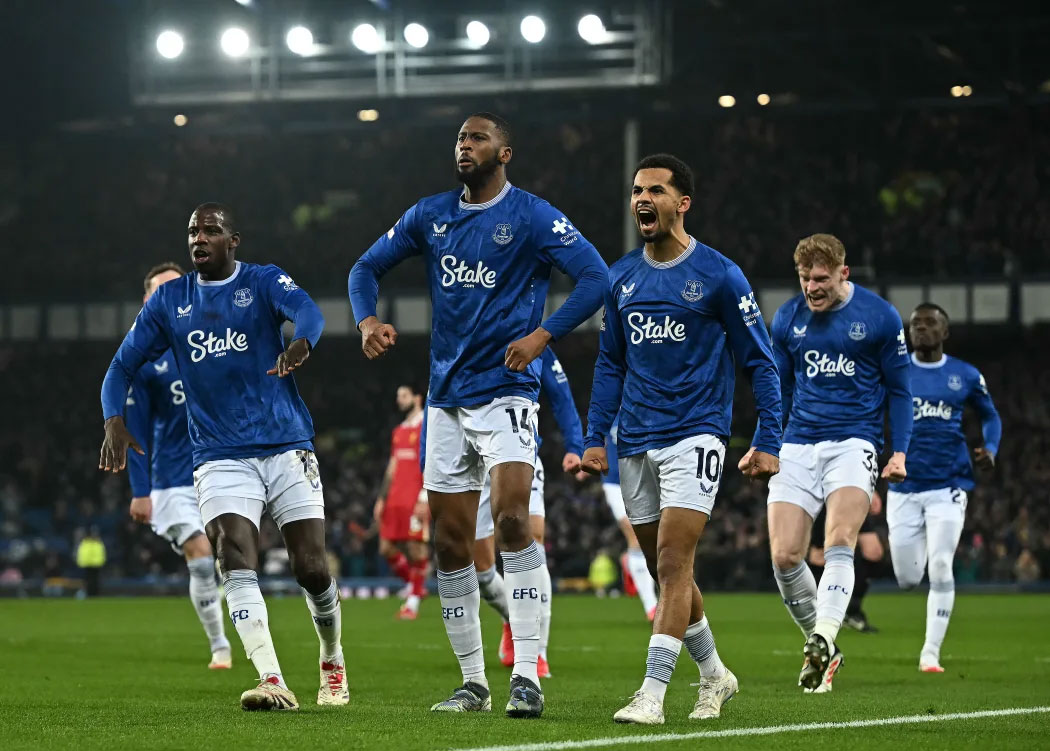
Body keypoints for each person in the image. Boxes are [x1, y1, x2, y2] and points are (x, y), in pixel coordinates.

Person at [349, 112, 607, 718]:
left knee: (515, 522)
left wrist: (545, 335)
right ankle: (473, 683)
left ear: (505, 152)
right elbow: (364, 268)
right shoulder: (430, 214)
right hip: (445, 398)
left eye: (477, 138)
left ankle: (526, 676)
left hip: (508, 392)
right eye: (460, 139)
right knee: (448, 542)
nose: (464, 146)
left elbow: (596, 277)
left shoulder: (534, 216)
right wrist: (366, 320)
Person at [99, 203, 347, 712]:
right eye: (192, 230)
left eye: (211, 230)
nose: (199, 238)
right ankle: (272, 678)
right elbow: (120, 365)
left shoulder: (262, 281)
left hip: (285, 443)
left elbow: (310, 311)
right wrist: (113, 421)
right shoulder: (169, 300)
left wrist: (302, 342)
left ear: (234, 240)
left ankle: (331, 656)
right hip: (218, 453)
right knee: (232, 555)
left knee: (312, 568)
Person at [581, 153, 782, 725]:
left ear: (682, 203)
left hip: (697, 433)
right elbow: (610, 364)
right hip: (636, 441)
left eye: (656, 191)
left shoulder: (721, 275)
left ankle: (652, 693)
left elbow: (761, 363)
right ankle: (716, 675)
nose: (643, 199)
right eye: (637, 191)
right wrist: (596, 436)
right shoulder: (620, 278)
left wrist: (769, 437)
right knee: (667, 569)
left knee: (672, 561)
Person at [739, 233, 911, 693]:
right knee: (784, 556)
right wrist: (764, 443)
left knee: (839, 540)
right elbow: (780, 391)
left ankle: (824, 634)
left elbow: (899, 389)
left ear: (843, 274)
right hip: (797, 444)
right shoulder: (788, 319)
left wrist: (899, 452)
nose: (812, 288)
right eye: (804, 279)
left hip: (854, 444)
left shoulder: (879, 316)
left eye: (820, 279)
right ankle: (825, 648)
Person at [124, 262, 232, 669]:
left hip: (220, 467)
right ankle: (219, 644)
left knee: (232, 558)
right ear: (147, 301)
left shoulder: (210, 341)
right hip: (171, 480)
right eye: (160, 290)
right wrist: (139, 490)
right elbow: (134, 428)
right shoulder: (144, 359)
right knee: (202, 555)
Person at [888, 302, 1001, 672]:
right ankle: (916, 579)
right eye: (915, 324)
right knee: (906, 579)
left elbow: (990, 414)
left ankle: (930, 652)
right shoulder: (896, 370)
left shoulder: (965, 375)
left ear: (944, 332)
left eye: (929, 323)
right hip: (904, 487)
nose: (920, 328)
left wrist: (991, 448)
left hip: (948, 486)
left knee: (940, 564)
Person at [474, 346, 584, 679]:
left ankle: (538, 652)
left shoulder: (537, 343)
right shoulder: (467, 328)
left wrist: (575, 445)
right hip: (472, 458)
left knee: (531, 540)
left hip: (519, 453)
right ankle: (512, 615)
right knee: (479, 565)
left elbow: (561, 395)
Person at [374, 383, 429, 620]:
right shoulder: (398, 431)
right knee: (386, 548)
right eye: (398, 396)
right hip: (395, 498)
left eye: (404, 395)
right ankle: (416, 585)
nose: (400, 400)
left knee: (417, 549)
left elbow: (432, 462)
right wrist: (381, 498)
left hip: (416, 497)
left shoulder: (428, 426)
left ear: (417, 398)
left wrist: (425, 497)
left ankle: (413, 603)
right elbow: (392, 466)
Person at [603, 416, 659, 621]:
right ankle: (651, 605)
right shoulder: (610, 406)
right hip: (614, 482)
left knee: (651, 536)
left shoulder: (646, 403)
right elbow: (596, 431)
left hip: (644, 479)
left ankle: (631, 562)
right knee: (634, 533)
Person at [807, 491, 885, 634]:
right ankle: (820, 613)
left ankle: (852, 611)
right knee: (819, 556)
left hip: (853, 495)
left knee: (874, 552)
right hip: (825, 499)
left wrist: (870, 489)